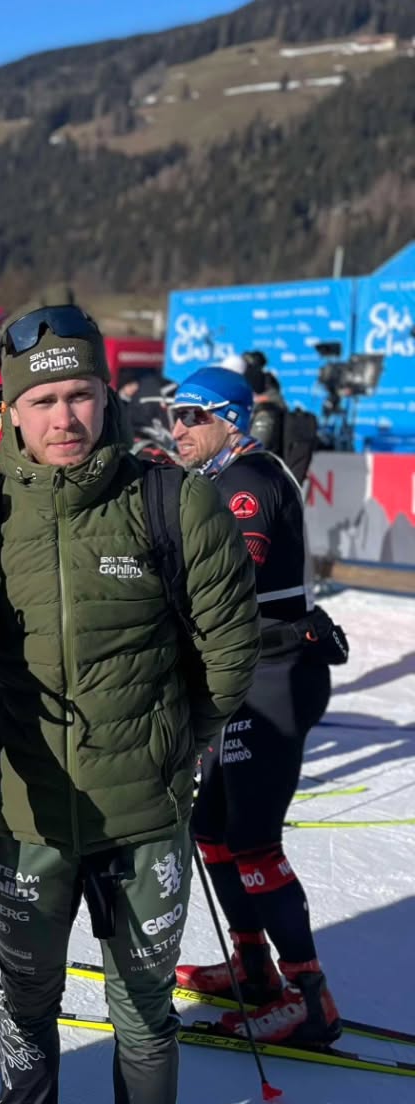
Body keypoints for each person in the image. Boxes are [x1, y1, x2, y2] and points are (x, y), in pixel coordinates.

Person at [0, 307, 259, 1104]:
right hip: (25, 817)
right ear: (12, 411)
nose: (64, 417)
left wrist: (173, 749)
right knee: (26, 997)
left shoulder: (174, 502)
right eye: (42, 399)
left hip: (144, 820)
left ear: (106, 398)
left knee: (144, 1013)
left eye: (79, 395)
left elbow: (229, 652)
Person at [167, 367, 346, 1044]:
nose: (177, 427)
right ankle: (254, 968)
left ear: (231, 419)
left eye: (192, 415)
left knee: (252, 841)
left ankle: (310, 997)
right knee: (211, 828)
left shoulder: (249, 479)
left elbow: (229, 578)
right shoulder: (214, 477)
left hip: (274, 676)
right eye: (174, 413)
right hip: (242, 674)